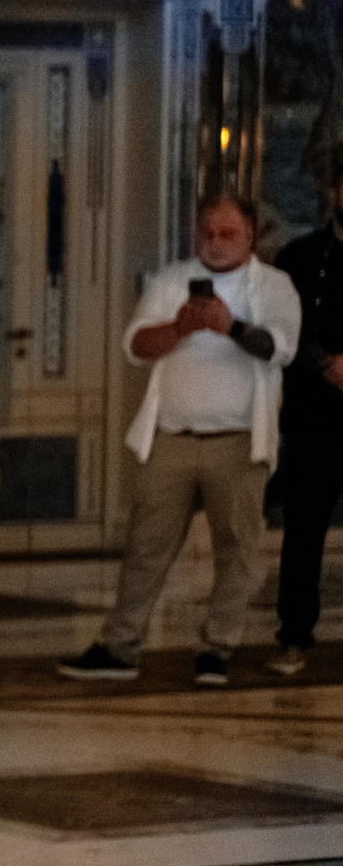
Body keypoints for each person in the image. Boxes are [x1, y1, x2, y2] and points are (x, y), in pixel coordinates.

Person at [61, 194, 300, 688]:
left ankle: (216, 650)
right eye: (207, 233)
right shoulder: (171, 280)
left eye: (227, 234)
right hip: (171, 436)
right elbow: (136, 346)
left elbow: (280, 348)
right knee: (145, 546)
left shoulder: (274, 286)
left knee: (237, 551)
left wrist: (229, 326)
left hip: (239, 441)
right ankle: (119, 647)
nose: (215, 243)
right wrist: (178, 327)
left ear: (250, 237)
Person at [271, 167, 343, 675]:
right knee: (304, 532)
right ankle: (294, 636)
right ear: (334, 190)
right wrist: (327, 364)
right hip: (314, 417)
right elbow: (282, 330)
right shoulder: (298, 257)